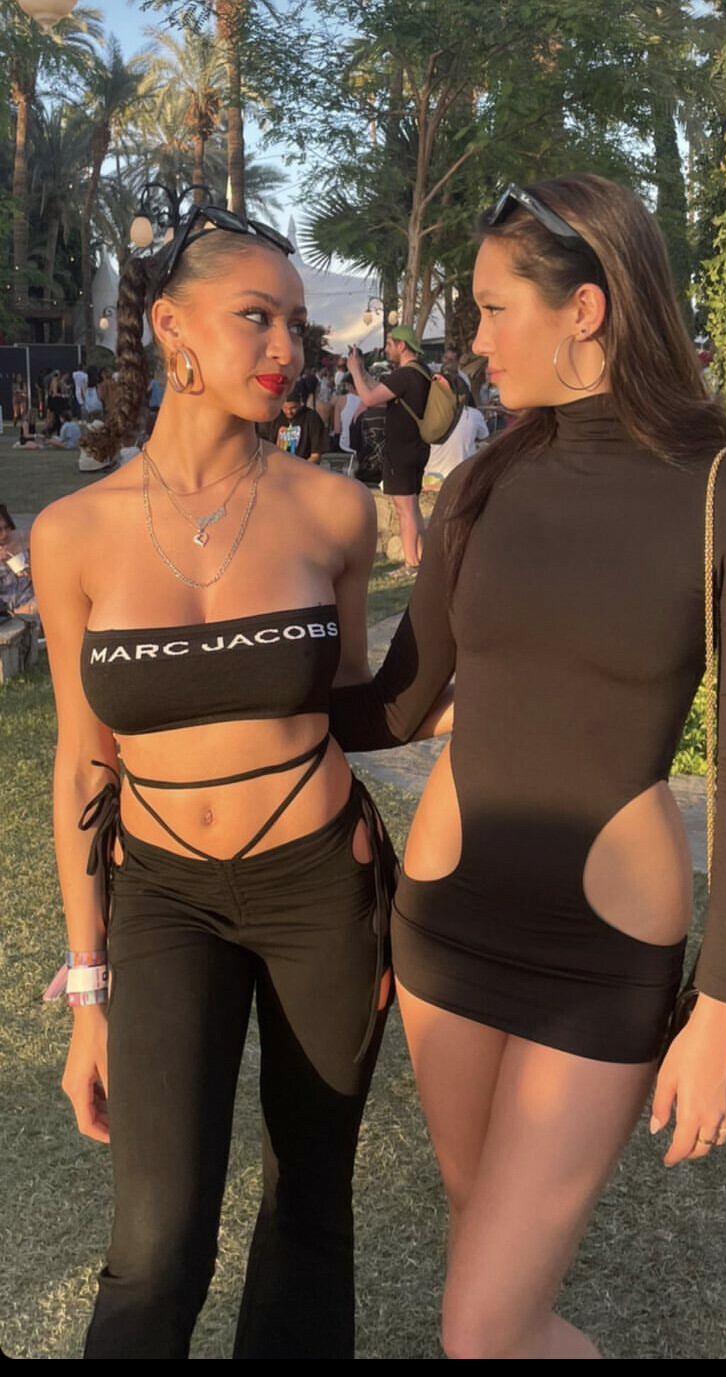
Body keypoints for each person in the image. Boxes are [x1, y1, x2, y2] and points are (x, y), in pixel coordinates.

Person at [329, 174, 726, 1359]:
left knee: (482, 1327)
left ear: (585, 309)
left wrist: (723, 1005)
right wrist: (223, 700)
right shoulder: (482, 484)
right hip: (445, 925)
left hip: (601, 949)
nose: (475, 341)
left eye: (495, 310)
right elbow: (400, 704)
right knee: (493, 1281)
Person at [29, 203, 408, 1360]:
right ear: (173, 328)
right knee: (157, 1247)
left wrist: (465, 652)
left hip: (321, 888)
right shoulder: (74, 533)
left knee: (309, 1211)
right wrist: (88, 987)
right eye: (257, 318)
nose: (286, 348)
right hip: (163, 897)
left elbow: (359, 705)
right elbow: (83, 758)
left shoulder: (332, 509)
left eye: (295, 323)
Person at [347, 324, 431, 577]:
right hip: (417, 446)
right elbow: (381, 393)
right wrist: (363, 371)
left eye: (389, 344)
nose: (386, 349)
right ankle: (420, 558)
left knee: (404, 508)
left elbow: (370, 399)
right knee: (412, 507)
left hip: (401, 449)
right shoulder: (421, 372)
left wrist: (354, 371)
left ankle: (411, 563)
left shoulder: (404, 375)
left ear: (402, 346)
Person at [422, 376, 489, 489]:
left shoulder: (426, 414)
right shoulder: (474, 414)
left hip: (430, 480)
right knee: (484, 447)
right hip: (460, 480)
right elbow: (484, 436)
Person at [260, 383, 328, 462]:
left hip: (303, 464)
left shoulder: (312, 418)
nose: (289, 412)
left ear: (300, 403)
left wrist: (301, 468)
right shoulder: (273, 416)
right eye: (285, 408)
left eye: (293, 408)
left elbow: (316, 455)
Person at [0, 504, 38, 619]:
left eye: (7, 527)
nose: (5, 534)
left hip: (31, 601)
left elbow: (40, 578)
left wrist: (27, 570)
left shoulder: (22, 539)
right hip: (5, 611)